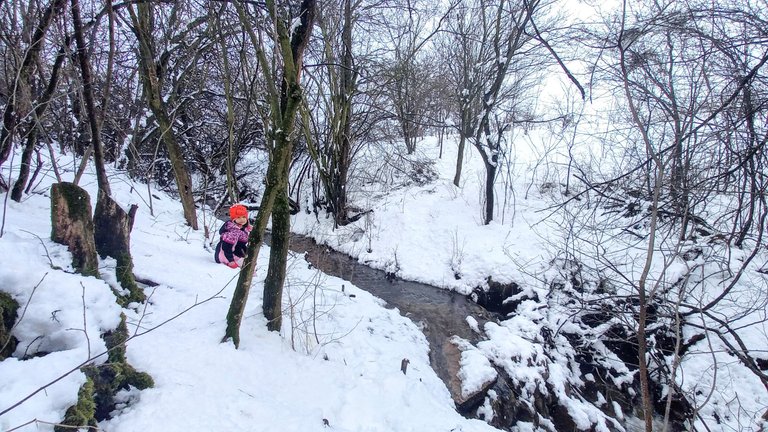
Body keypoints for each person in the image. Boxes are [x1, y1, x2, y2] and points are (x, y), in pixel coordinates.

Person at [215, 204, 251, 269]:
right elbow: (226, 247)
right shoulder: (232, 231)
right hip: (223, 255)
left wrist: (244, 253)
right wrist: (231, 261)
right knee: (247, 266)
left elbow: (239, 245)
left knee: (249, 263)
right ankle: (253, 278)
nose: (242, 219)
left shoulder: (241, 228)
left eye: (243, 217)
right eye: (238, 217)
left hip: (232, 252)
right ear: (233, 219)